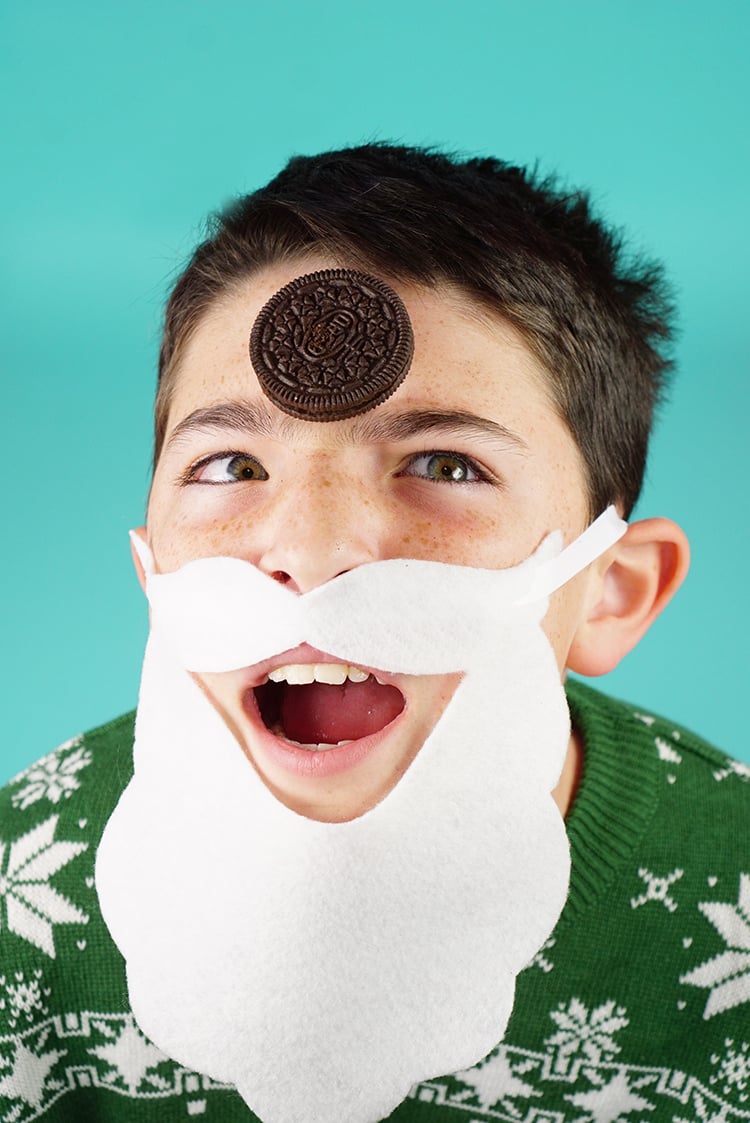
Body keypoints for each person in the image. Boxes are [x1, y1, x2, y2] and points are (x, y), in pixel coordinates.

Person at [1, 144, 747, 1123]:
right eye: (229, 464)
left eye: (442, 464)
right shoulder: (24, 890)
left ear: (612, 590)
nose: (309, 552)